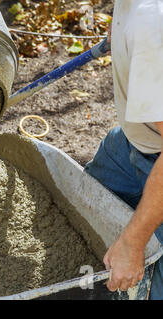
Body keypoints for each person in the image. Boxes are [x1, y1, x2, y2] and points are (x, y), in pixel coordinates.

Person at [84, 0, 163, 299]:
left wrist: (133, 242)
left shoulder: (152, 25)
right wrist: (123, 31)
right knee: (83, 206)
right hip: (133, 142)